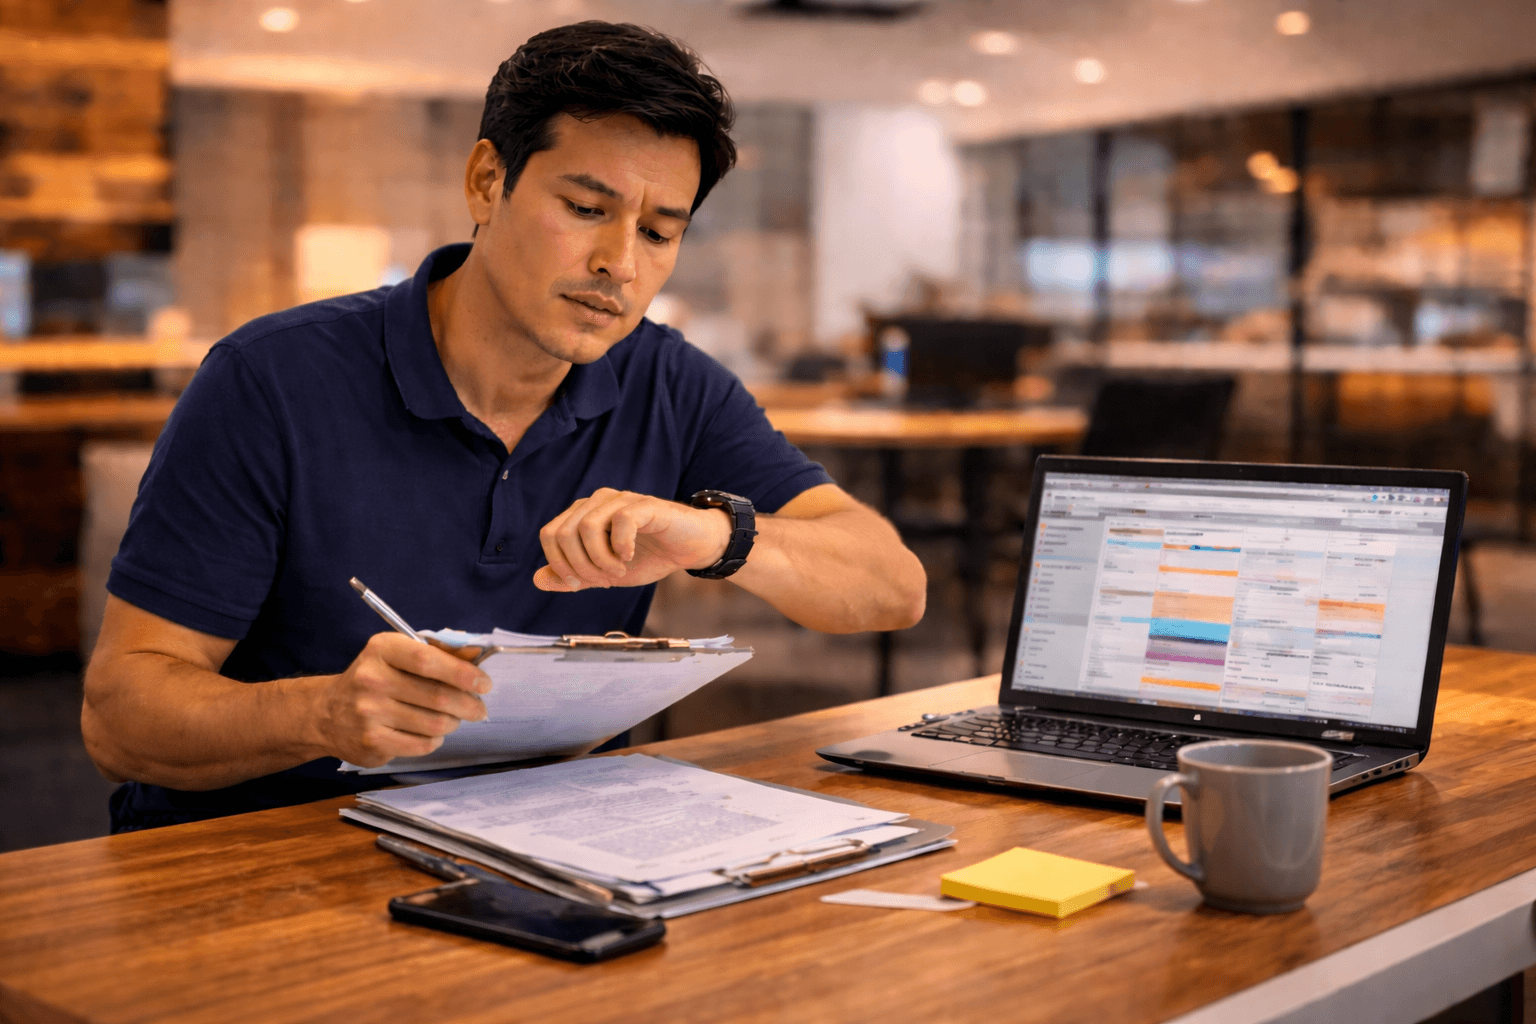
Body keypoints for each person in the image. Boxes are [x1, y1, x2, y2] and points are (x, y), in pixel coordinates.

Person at [81, 21, 926, 831]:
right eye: (587, 209)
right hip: (259, 860)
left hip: (544, 851)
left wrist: (714, 536)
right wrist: (323, 714)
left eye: (660, 231)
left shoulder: (669, 382)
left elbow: (891, 587)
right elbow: (120, 721)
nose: (621, 265)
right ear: (488, 181)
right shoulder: (273, 380)